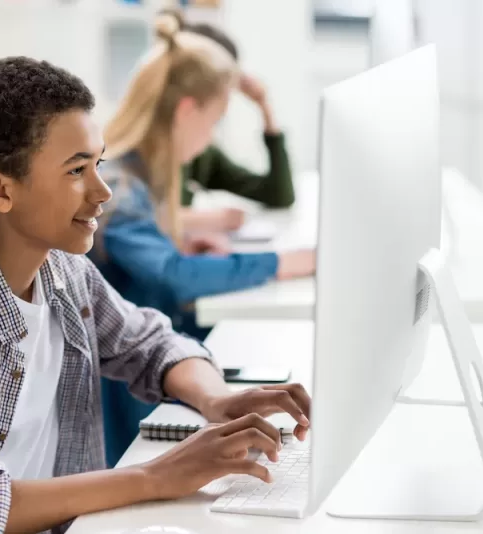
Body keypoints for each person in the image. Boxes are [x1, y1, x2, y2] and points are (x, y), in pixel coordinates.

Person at [0, 57, 312, 534]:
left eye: (98, 164)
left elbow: (151, 344)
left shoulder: (66, 272)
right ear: (0, 191)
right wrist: (154, 477)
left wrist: (218, 398)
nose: (102, 191)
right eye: (76, 171)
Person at [89, 13, 316, 467]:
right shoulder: (117, 184)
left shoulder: (144, 177)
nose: (213, 137)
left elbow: (159, 264)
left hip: (160, 367)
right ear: (187, 110)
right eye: (214, 122)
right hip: (129, 398)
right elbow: (175, 279)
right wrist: (279, 263)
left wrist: (179, 245)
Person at [165, 10, 296, 239]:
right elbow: (133, 218)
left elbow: (279, 194)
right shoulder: (151, 143)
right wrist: (213, 219)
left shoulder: (201, 150)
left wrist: (264, 106)